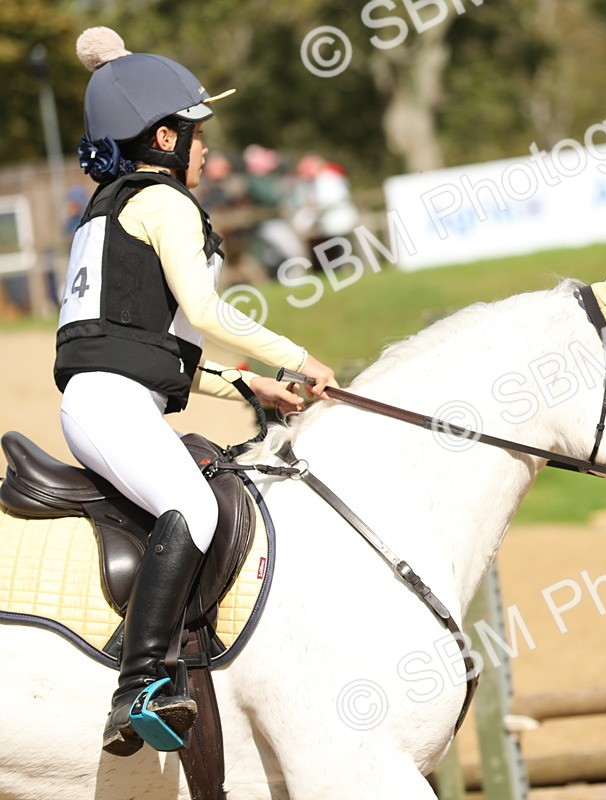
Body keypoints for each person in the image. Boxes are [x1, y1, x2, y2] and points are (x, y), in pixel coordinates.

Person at [61, 27, 337, 757]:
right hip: (111, 404)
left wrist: (253, 385)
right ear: (161, 135)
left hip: (105, 397)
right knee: (193, 508)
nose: (206, 146)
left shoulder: (106, 212)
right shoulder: (166, 205)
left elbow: (151, 353)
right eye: (196, 131)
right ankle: (140, 686)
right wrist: (297, 356)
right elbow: (210, 315)